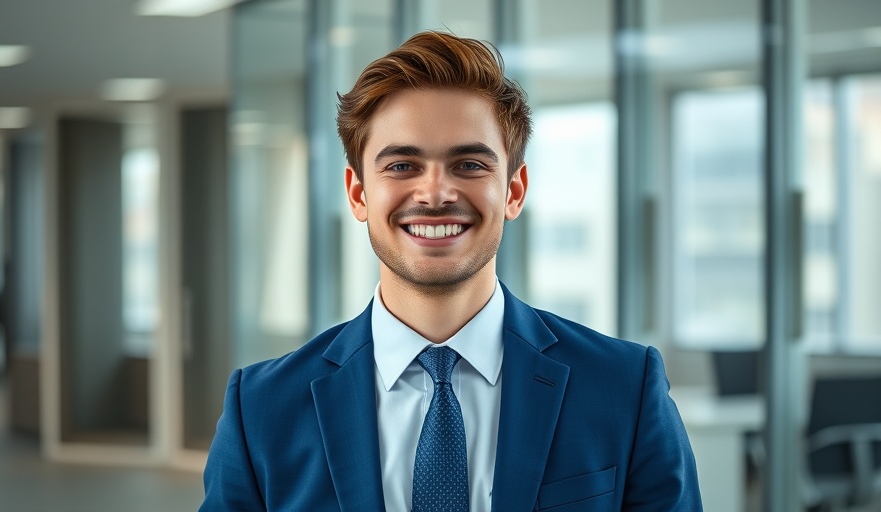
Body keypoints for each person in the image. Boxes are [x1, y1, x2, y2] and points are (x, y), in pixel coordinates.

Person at [200, 31, 702, 512]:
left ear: (513, 191)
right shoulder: (262, 408)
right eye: (401, 166)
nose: (435, 193)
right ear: (358, 194)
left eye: (469, 165)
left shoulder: (624, 388)